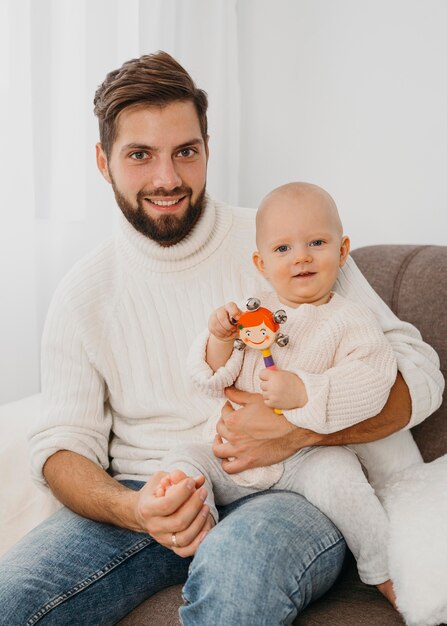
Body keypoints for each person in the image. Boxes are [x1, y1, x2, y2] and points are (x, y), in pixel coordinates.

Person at [0, 51, 442, 626]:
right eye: (139, 155)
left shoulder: (288, 239)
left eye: (186, 151)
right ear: (103, 163)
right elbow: (61, 447)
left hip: (294, 487)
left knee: (235, 583)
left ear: (207, 148)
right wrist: (135, 509)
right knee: (13, 601)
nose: (168, 178)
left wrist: (294, 431)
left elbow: (421, 377)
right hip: (158, 482)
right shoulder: (82, 293)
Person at [158, 181, 406, 606]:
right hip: (229, 458)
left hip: (305, 460)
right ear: (261, 262)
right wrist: (219, 338)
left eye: (316, 242)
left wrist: (305, 392)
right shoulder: (251, 312)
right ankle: (201, 529)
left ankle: (384, 572)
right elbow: (211, 378)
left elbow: (374, 381)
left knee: (342, 479)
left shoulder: (351, 320)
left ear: (342, 251)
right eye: (283, 249)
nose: (302, 257)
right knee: (184, 462)